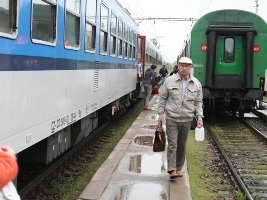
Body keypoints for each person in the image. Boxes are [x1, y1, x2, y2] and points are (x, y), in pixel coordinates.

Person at [157, 56, 203, 179]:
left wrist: (199, 118)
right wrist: (160, 114)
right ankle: (171, 169)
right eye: (182, 65)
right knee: (173, 144)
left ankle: (178, 168)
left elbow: (198, 103)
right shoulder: (169, 81)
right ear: (178, 66)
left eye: (187, 66)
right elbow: (162, 98)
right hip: (172, 117)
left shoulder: (196, 84)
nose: (184, 68)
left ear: (190, 68)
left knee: (182, 145)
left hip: (187, 119)